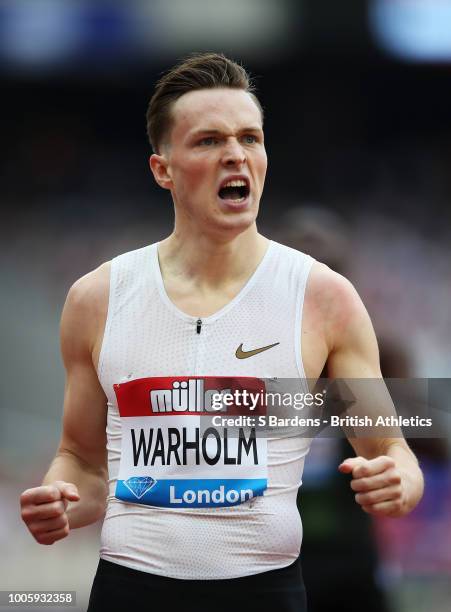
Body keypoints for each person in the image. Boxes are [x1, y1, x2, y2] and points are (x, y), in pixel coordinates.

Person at [20, 53, 424, 612]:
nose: (235, 153)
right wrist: (62, 501)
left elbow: (392, 449)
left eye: (250, 138)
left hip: (266, 591)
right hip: (131, 589)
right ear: (163, 169)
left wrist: (399, 480)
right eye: (209, 140)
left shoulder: (325, 298)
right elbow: (83, 464)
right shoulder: (97, 299)